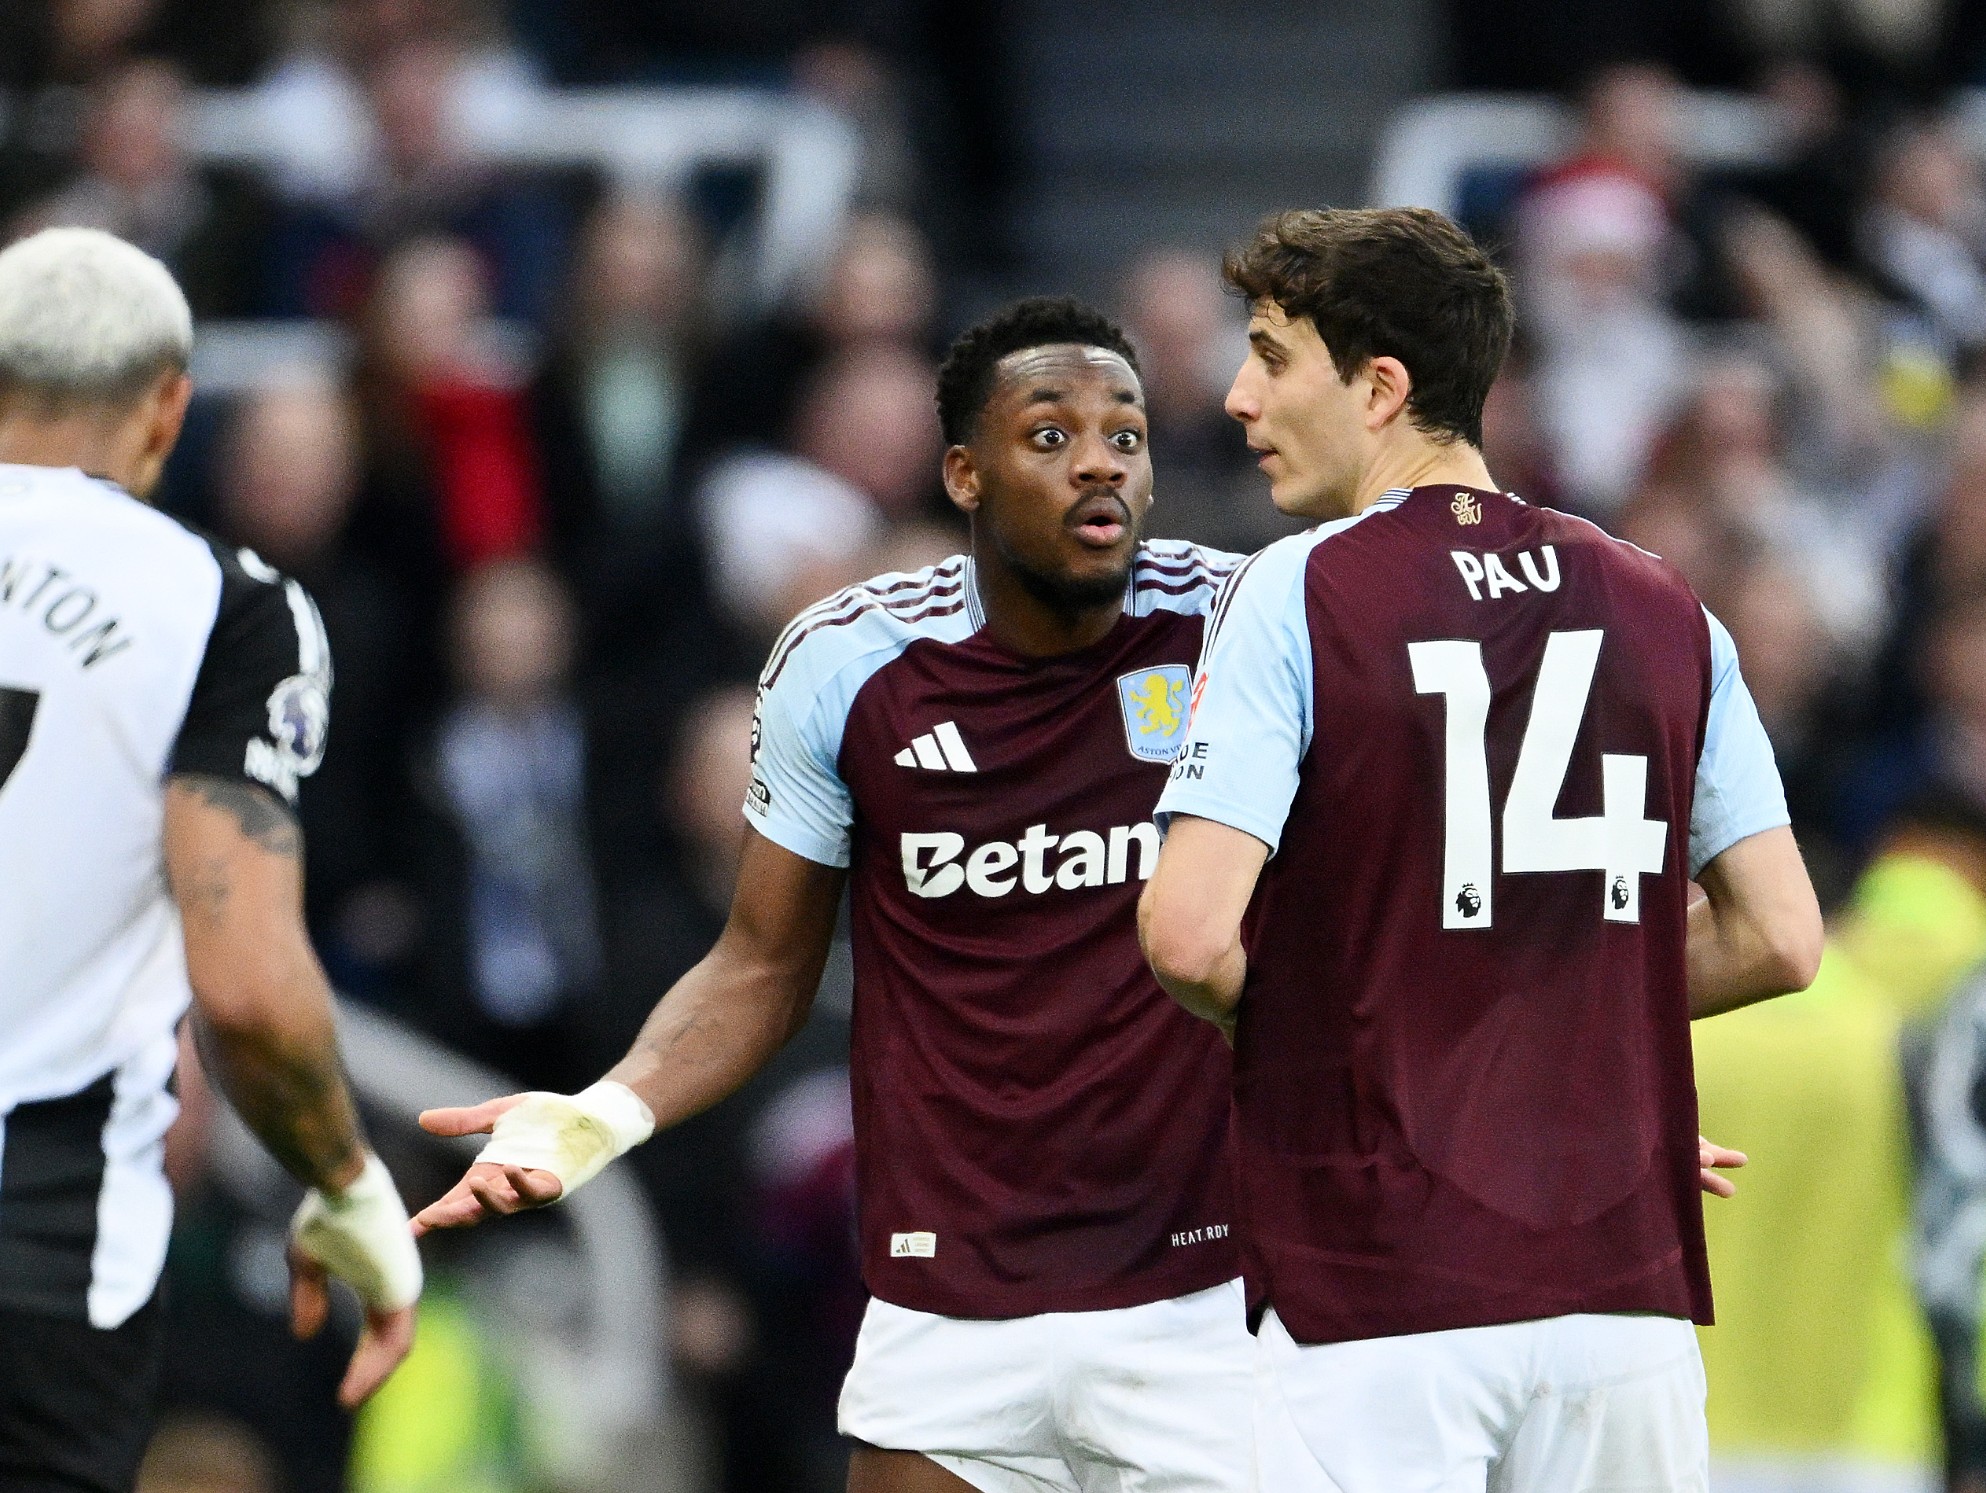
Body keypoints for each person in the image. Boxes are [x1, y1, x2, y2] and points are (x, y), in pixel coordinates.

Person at [412, 296, 1257, 1492]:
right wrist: (601, 1112)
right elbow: (759, 964)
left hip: (1201, 1293)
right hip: (954, 1298)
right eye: (1052, 435)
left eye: (1125, 432)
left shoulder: (1241, 625)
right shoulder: (844, 661)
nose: (1100, 462)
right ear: (963, 472)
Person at [1138, 207, 1825, 1493]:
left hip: (1380, 1288)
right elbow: (1780, 935)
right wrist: (1553, 1070)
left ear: (1381, 388)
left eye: (1274, 357)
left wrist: (1415, 1063)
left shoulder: (1298, 587)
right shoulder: (1668, 598)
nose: (1237, 396)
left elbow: (1188, 933)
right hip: (1626, 1306)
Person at [0, 227, 421, 1493]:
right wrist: (343, 1177)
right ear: (170, 406)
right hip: (42, 1237)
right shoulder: (218, 606)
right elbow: (242, 986)